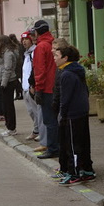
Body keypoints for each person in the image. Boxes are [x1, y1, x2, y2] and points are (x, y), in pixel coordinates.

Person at [53, 44, 95, 185]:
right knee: (83, 142)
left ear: (65, 58)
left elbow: (66, 98)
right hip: (81, 110)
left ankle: (74, 172)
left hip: (73, 113)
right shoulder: (77, 70)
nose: (54, 59)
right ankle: (87, 169)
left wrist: (62, 114)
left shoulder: (67, 74)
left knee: (72, 145)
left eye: (56, 56)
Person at [31, 20, 59, 159]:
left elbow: (39, 70)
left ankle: (53, 148)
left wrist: (38, 89)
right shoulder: (52, 43)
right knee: (55, 118)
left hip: (47, 88)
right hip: (55, 86)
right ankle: (56, 146)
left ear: (36, 32)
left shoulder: (41, 47)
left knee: (49, 120)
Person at [20, 31, 44, 147]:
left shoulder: (34, 52)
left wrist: (32, 85)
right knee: (30, 111)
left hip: (31, 86)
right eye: (23, 40)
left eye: (26, 39)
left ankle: (40, 131)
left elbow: (34, 70)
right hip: (25, 86)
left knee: (36, 110)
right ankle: (36, 129)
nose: (24, 42)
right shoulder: (26, 53)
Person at [0, 34, 18, 136]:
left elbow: (7, 69)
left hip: (8, 82)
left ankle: (11, 128)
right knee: (6, 105)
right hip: (6, 81)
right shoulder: (5, 52)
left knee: (8, 106)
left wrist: (3, 83)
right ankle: (9, 127)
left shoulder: (8, 53)